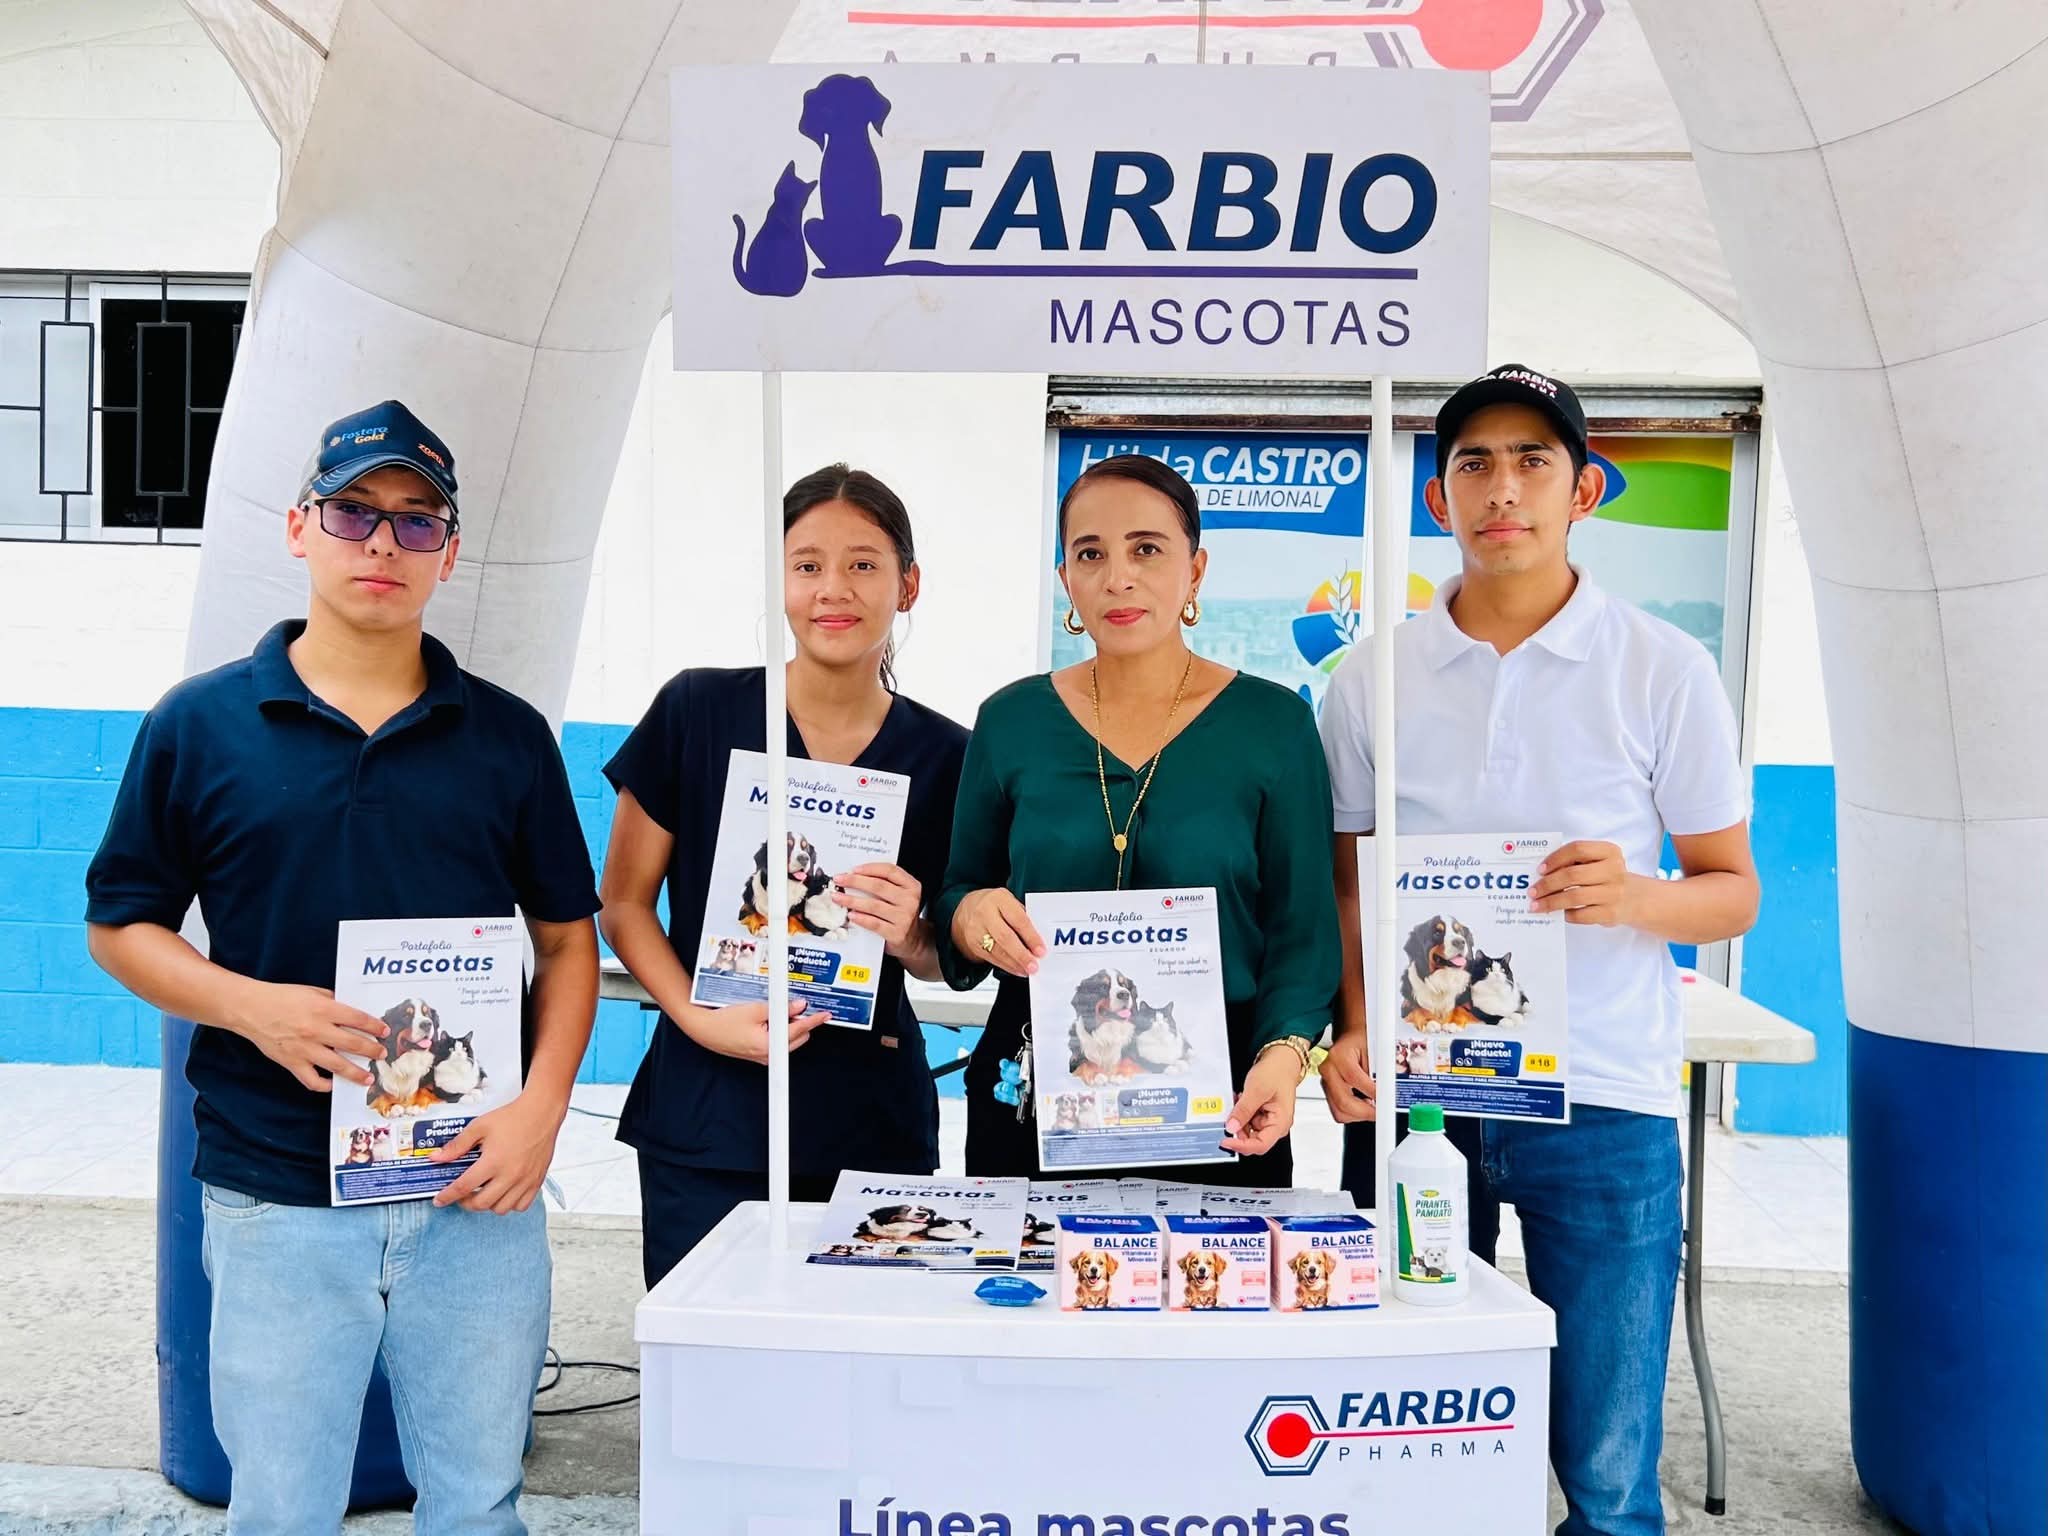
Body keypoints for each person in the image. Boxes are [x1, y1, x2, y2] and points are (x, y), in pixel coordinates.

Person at [84, 400, 602, 1535]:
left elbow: (568, 938)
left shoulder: (507, 737)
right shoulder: (200, 725)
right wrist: (248, 1008)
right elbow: (120, 926)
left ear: (449, 553)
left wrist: (543, 1108)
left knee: (478, 1505)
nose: (383, 543)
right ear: (298, 528)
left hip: (472, 1182)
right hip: (275, 1190)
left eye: (418, 522)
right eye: (354, 512)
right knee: (282, 1509)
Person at [1318, 364, 1760, 1536]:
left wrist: (1636, 896)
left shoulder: (1661, 668)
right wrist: (1352, 1026)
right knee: (1405, 1436)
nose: (1500, 488)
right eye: (1472, 463)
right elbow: (1348, 880)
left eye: (1531, 461)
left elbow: (1730, 895)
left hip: (1603, 1100)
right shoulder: (1370, 676)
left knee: (1606, 1477)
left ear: (1582, 489)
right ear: (1437, 497)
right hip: (1421, 1095)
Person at [600, 464, 967, 1288]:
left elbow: (947, 959)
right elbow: (622, 905)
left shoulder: (950, 755)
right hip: (709, 1110)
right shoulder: (697, 711)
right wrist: (700, 1021)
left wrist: (913, 934)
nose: (833, 589)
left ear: (908, 586)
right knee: (708, 1349)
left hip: (870, 1119)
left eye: (863, 564)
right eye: (807, 565)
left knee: (856, 1353)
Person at [937, 454, 1339, 1182]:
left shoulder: (1274, 725)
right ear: (1066, 578)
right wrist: (971, 918)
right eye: (1090, 554)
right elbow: (959, 894)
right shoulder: (1010, 721)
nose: (1117, 577)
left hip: (1222, 1106)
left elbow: (1303, 932)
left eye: (1146, 549)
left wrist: (1284, 1058)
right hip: (1034, 1096)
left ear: (1196, 570)